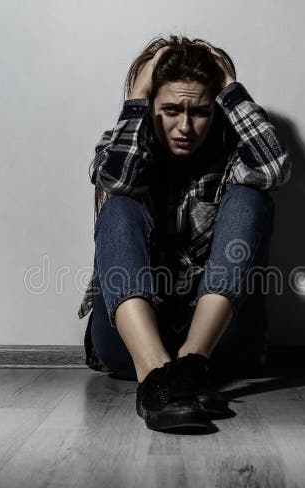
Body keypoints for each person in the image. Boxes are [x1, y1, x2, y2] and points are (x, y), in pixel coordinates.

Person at [77, 35, 291, 432]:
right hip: (129, 346)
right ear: (150, 107)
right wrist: (138, 97)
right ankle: (157, 375)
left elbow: (275, 169)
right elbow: (114, 178)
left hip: (218, 345)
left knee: (252, 199)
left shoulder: (232, 159)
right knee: (119, 203)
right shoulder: (120, 145)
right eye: (171, 110)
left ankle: (190, 366)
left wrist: (229, 85)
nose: (185, 127)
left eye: (201, 112)